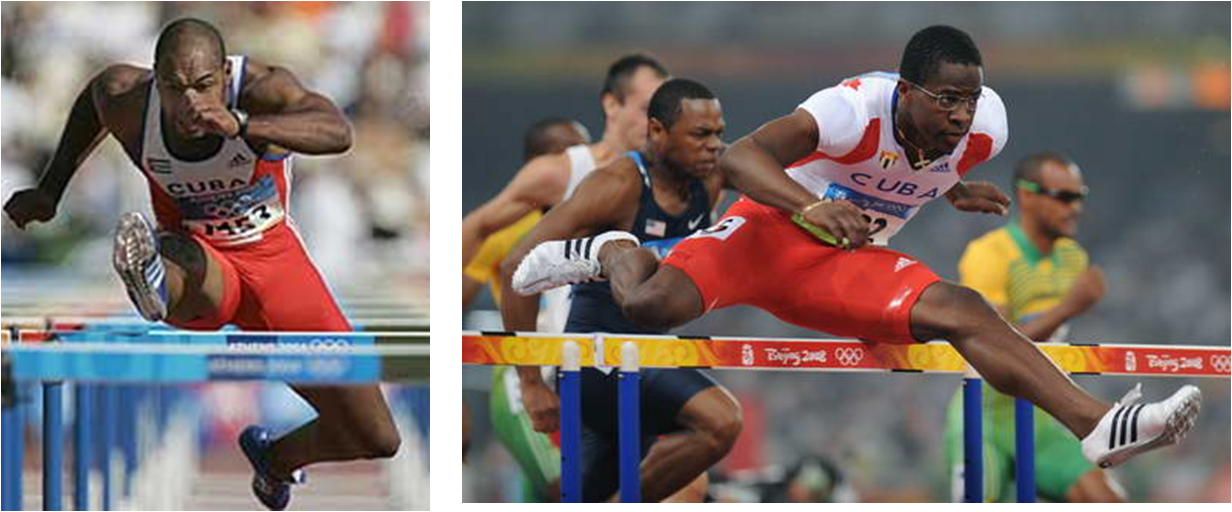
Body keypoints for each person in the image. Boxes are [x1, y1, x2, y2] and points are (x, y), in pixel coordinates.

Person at [512, 25, 1200, 475]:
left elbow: (923, 163)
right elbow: (745, 154)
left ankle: (1103, 423)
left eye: (971, 100)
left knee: (961, 309)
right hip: (766, 233)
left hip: (843, 262)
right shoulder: (852, 109)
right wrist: (809, 204)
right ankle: (608, 249)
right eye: (947, 101)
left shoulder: (984, 129)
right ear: (906, 94)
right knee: (649, 303)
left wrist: (949, 187)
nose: (961, 117)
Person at [2, 18, 398, 511]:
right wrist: (50, 190)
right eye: (175, 87)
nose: (190, 102)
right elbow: (93, 102)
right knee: (180, 255)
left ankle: (274, 458)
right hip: (199, 265)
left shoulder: (261, 88)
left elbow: (337, 131)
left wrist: (244, 126)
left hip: (277, 267)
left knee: (377, 436)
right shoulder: (128, 98)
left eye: (204, 86)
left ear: (223, 74)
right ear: (155, 78)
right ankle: (150, 277)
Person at [500, 78, 740, 502]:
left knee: (586, 494)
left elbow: (771, 162)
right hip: (600, 357)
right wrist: (531, 381)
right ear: (657, 131)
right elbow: (515, 266)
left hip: (651, 354)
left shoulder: (711, 179)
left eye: (719, 133)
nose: (714, 145)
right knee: (720, 422)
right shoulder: (617, 185)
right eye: (701, 134)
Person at [944, 151, 1125, 502]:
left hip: (1040, 416)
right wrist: (1069, 308)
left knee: (1108, 500)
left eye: (1080, 197)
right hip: (982, 416)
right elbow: (991, 347)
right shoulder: (989, 254)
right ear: (1027, 196)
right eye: (1064, 197)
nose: (1075, 208)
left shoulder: (1074, 257)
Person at [462, 116, 589, 501]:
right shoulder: (503, 229)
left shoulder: (599, 219)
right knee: (564, 488)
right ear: (542, 164)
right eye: (573, 156)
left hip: (585, 373)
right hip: (524, 374)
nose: (586, 166)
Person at [461, 54, 669, 268]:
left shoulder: (681, 178)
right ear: (612, 104)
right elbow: (477, 226)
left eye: (664, 113)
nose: (656, 122)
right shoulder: (561, 172)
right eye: (646, 109)